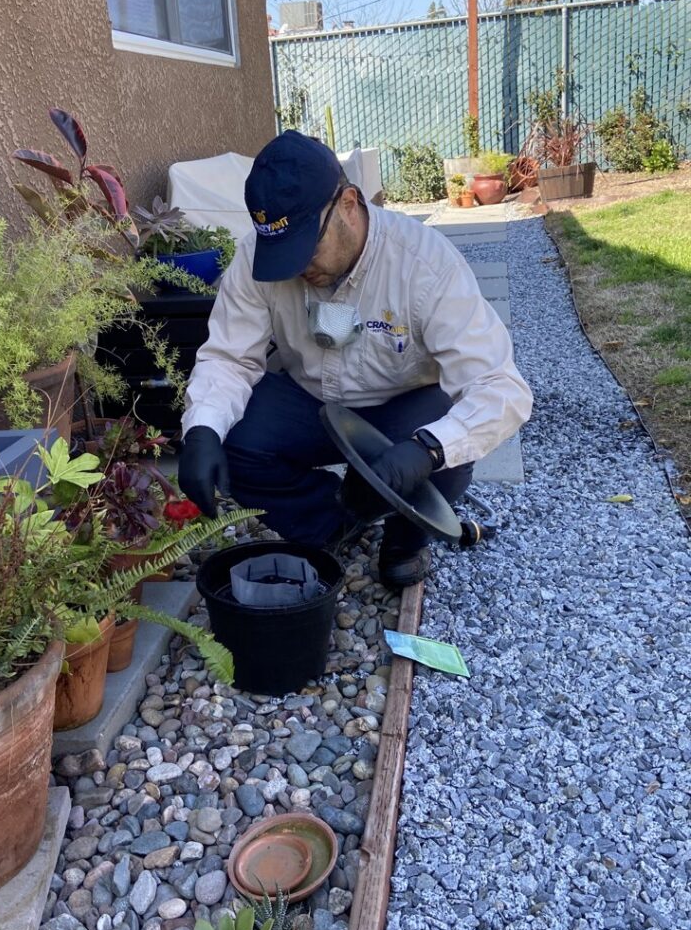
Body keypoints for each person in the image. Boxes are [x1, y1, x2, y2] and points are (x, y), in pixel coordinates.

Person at [179, 130, 532, 588]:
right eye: (280, 253)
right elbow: (229, 359)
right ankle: (333, 522)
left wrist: (425, 451)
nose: (296, 267)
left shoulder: (424, 264)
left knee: (450, 441)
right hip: (311, 404)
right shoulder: (253, 260)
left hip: (399, 409)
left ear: (348, 203)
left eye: (307, 246)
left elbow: (501, 387)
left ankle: (404, 541)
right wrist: (202, 432)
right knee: (233, 432)